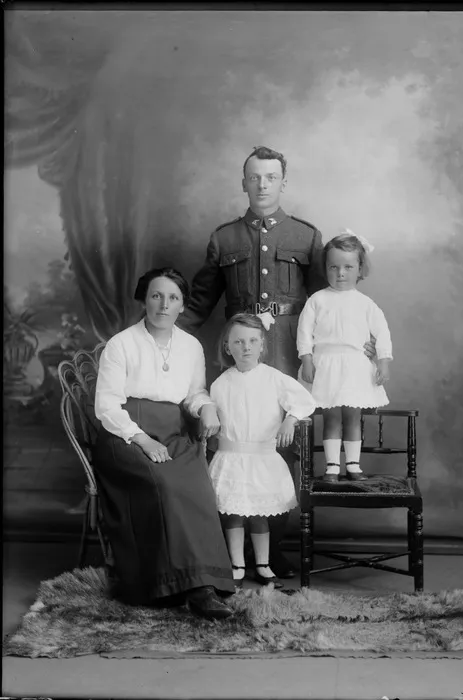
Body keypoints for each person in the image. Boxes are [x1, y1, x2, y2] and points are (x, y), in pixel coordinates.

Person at [177, 145, 325, 578]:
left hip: (286, 357)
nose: (262, 185)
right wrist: (157, 335)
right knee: (236, 450)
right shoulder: (225, 239)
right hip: (240, 361)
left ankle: (273, 550)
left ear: (283, 182)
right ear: (244, 183)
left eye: (271, 177)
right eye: (254, 177)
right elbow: (200, 302)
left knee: (283, 451)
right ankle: (234, 552)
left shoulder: (305, 237)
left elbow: (323, 306)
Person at [93, 267, 235, 620]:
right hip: (125, 434)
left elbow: (194, 394)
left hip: (172, 430)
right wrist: (140, 439)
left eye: (172, 298)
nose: (163, 304)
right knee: (165, 483)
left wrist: (208, 408)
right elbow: (106, 405)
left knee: (198, 485)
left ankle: (204, 585)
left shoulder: (190, 346)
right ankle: (171, 584)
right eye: (156, 296)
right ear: (144, 299)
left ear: (182, 305)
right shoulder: (121, 344)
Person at [208, 314, 316, 588]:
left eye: (252, 341)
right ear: (227, 347)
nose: (246, 347)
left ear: (261, 346)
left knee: (259, 514)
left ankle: (263, 563)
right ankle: (237, 564)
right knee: (233, 512)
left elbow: (304, 400)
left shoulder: (274, 378)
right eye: (238, 341)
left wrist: (290, 419)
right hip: (231, 457)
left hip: (262, 458)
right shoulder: (221, 384)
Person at [297, 231, 393, 482]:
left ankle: (352, 465)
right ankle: (331, 467)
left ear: (360, 268)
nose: (340, 273)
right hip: (326, 365)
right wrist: (307, 359)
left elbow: (382, 334)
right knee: (331, 416)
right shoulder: (317, 300)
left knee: (352, 416)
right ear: (325, 268)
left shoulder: (366, 304)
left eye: (348, 267)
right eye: (333, 267)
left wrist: (383, 362)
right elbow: (304, 333)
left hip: (354, 367)